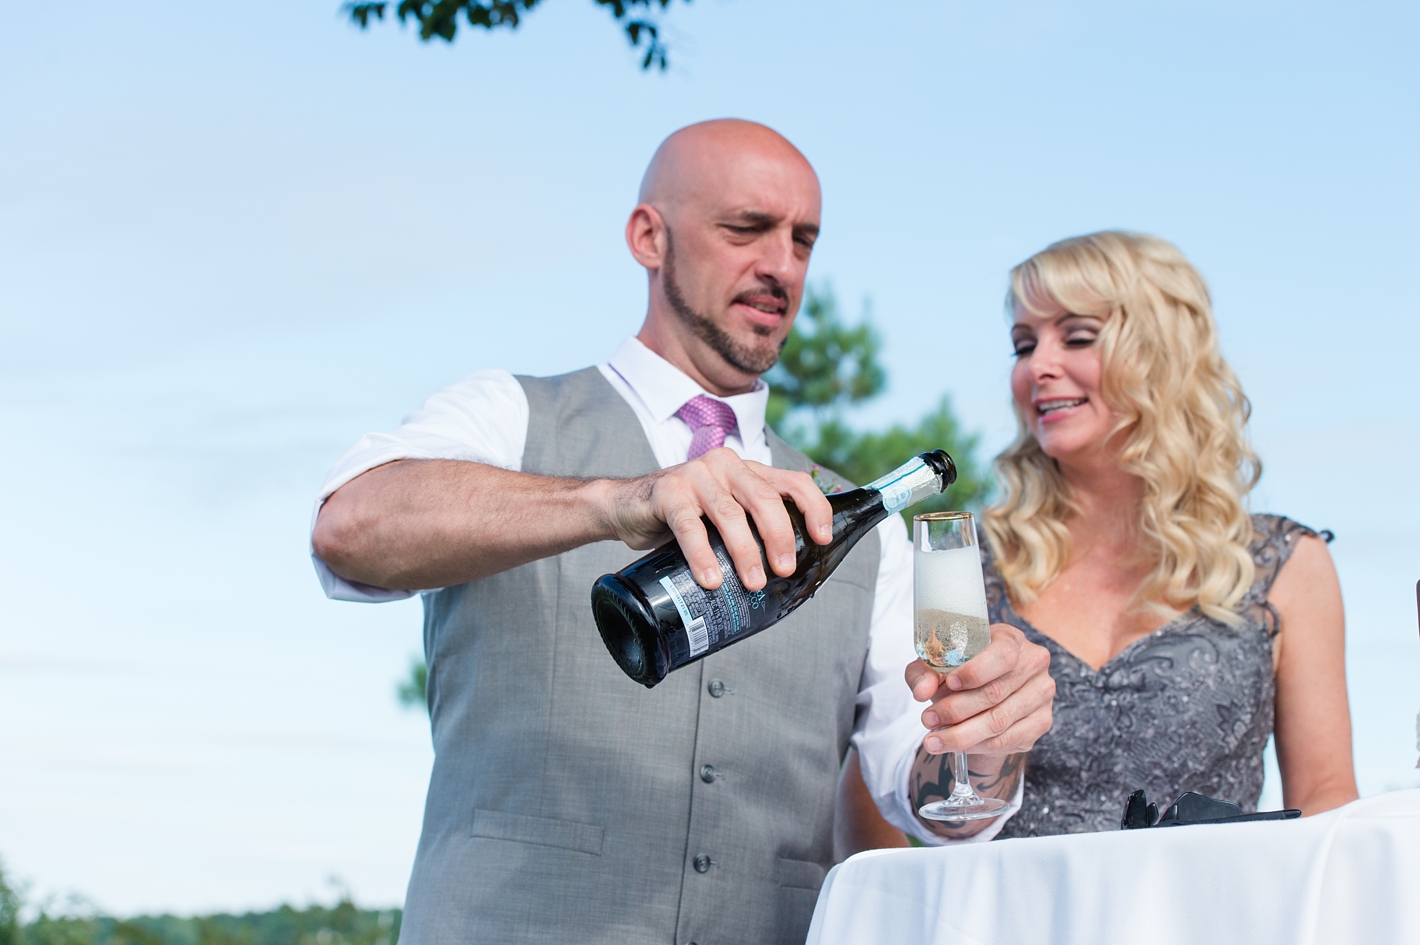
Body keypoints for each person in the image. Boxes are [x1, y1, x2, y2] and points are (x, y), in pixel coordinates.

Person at [310, 119, 1054, 944]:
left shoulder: (863, 531)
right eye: (746, 229)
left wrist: (988, 744)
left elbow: (925, 795)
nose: (781, 265)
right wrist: (617, 501)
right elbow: (351, 527)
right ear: (648, 236)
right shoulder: (508, 417)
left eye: (803, 240)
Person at [978, 230, 1358, 837]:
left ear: (1160, 354)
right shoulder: (973, 565)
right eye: (1024, 345)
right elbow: (882, 778)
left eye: (1076, 336)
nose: (1038, 367)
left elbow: (1326, 795)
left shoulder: (1284, 564)